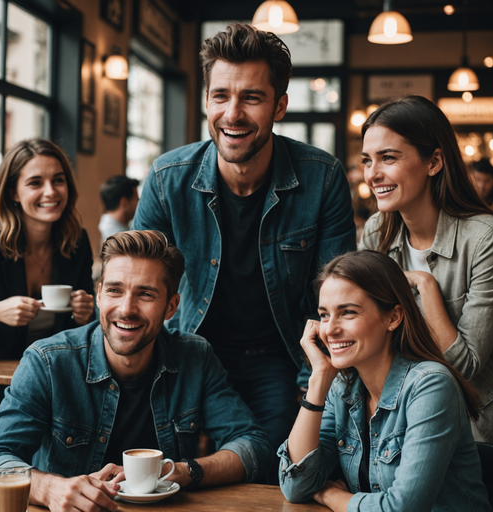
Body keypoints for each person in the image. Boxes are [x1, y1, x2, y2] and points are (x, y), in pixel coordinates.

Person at [133, 23, 356, 480]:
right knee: (156, 479)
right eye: (220, 96)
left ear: (279, 105)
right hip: (185, 354)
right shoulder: (166, 177)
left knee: (268, 478)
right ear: (206, 100)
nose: (232, 114)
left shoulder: (322, 177)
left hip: (276, 361)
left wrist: (311, 386)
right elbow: (135, 281)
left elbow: (337, 295)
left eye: (251, 98)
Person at [0, 230, 272, 512]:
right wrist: (51, 489)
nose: (126, 308)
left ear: (171, 306)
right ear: (99, 295)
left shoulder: (195, 357)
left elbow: (253, 446)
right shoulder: (47, 362)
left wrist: (184, 472)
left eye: (145, 294)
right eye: (114, 290)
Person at [278, 250, 491, 512]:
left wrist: (332, 496)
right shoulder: (341, 388)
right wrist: (319, 378)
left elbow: (401, 508)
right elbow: (296, 486)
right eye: (324, 315)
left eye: (347, 312)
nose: (330, 329)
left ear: (393, 317)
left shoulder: (431, 386)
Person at [358, 95, 493, 443]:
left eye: (388, 158)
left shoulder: (484, 240)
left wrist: (425, 286)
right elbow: (370, 341)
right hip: (397, 424)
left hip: (471, 432)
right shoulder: (377, 231)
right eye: (367, 160)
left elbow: (466, 365)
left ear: (434, 161)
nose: (373, 174)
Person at [0, 138, 94, 406]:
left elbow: (84, 330)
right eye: (35, 183)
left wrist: (87, 312)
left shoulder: (76, 242)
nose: (50, 192)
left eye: (58, 180)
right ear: (12, 192)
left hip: (57, 384)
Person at [98, 175, 140, 241]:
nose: (139, 204)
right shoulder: (119, 239)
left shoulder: (104, 227)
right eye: (137, 199)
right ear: (125, 202)